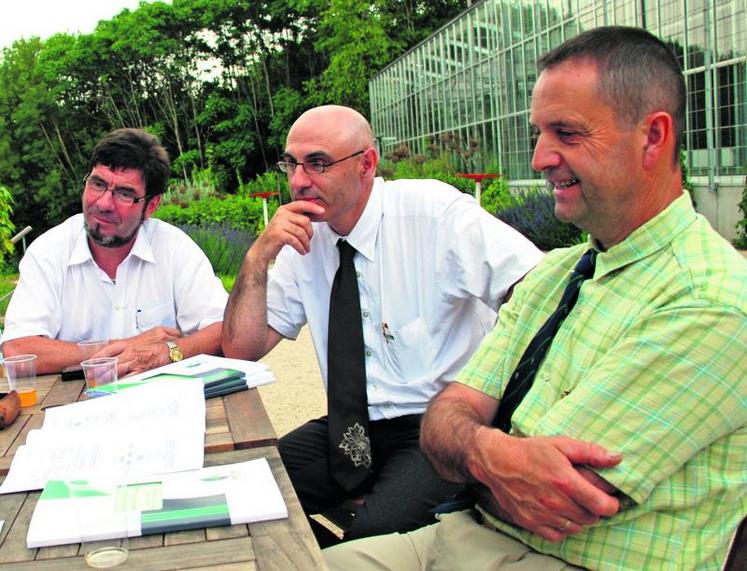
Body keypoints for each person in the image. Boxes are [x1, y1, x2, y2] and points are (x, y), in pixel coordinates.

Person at [324, 26, 747, 570]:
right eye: (538, 135)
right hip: (460, 537)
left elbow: (551, 496)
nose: (542, 158)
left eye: (567, 133)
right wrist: (490, 453)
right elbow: (441, 424)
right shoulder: (557, 272)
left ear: (653, 137)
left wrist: (470, 449)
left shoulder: (707, 302)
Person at [222, 104, 543, 545]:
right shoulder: (304, 240)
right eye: (291, 163)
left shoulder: (433, 214)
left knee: (371, 541)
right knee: (236, 497)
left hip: (435, 428)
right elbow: (241, 348)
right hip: (350, 430)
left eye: (317, 163)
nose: (298, 181)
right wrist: (257, 256)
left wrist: (499, 402)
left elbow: (537, 291)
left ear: (366, 164)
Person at [1, 128, 228, 376]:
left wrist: (167, 351)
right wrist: (126, 348)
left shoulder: (175, 249)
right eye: (97, 184)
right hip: (72, 406)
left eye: (124, 193)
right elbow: (18, 350)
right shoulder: (49, 252)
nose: (103, 203)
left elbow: (223, 329)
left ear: (151, 205)